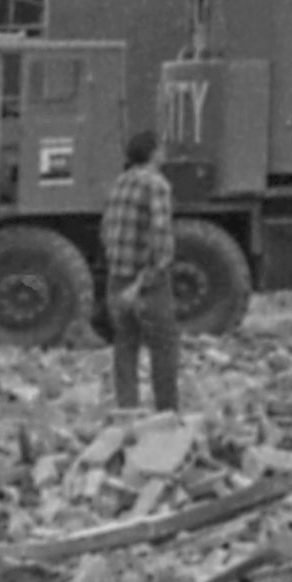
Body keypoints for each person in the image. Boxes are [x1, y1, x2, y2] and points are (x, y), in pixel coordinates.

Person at [99, 127, 184, 413]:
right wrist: (148, 278)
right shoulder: (156, 184)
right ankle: (167, 413)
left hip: (117, 279)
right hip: (146, 284)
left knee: (125, 346)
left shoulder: (119, 183)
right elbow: (160, 235)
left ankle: (127, 410)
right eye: (161, 148)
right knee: (164, 347)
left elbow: (106, 231)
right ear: (153, 153)